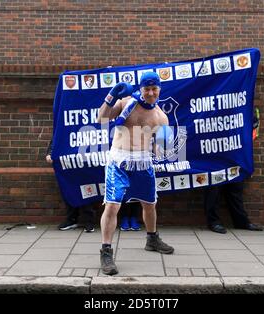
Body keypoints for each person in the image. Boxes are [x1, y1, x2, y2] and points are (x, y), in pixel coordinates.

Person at [97, 72, 174, 275]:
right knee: (112, 205)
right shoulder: (125, 103)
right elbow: (101, 118)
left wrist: (163, 146)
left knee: (150, 204)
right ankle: (106, 251)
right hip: (118, 161)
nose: (150, 93)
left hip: (143, 163)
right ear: (141, 89)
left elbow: (163, 149)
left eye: (154, 89)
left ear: (159, 89)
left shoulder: (161, 117)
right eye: (146, 89)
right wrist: (111, 95)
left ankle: (152, 239)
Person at [203, 113, 264, 234]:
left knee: (235, 190)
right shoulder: (209, 102)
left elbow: (253, 125)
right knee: (213, 190)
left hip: (235, 154)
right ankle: (213, 222)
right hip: (214, 154)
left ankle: (241, 221)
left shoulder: (240, 102)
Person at [46, 138, 95, 232]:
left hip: (85, 163)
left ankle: (88, 221)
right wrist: (50, 152)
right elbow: (59, 135)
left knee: (87, 191)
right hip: (69, 163)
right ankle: (72, 219)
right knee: (69, 190)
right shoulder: (64, 123)